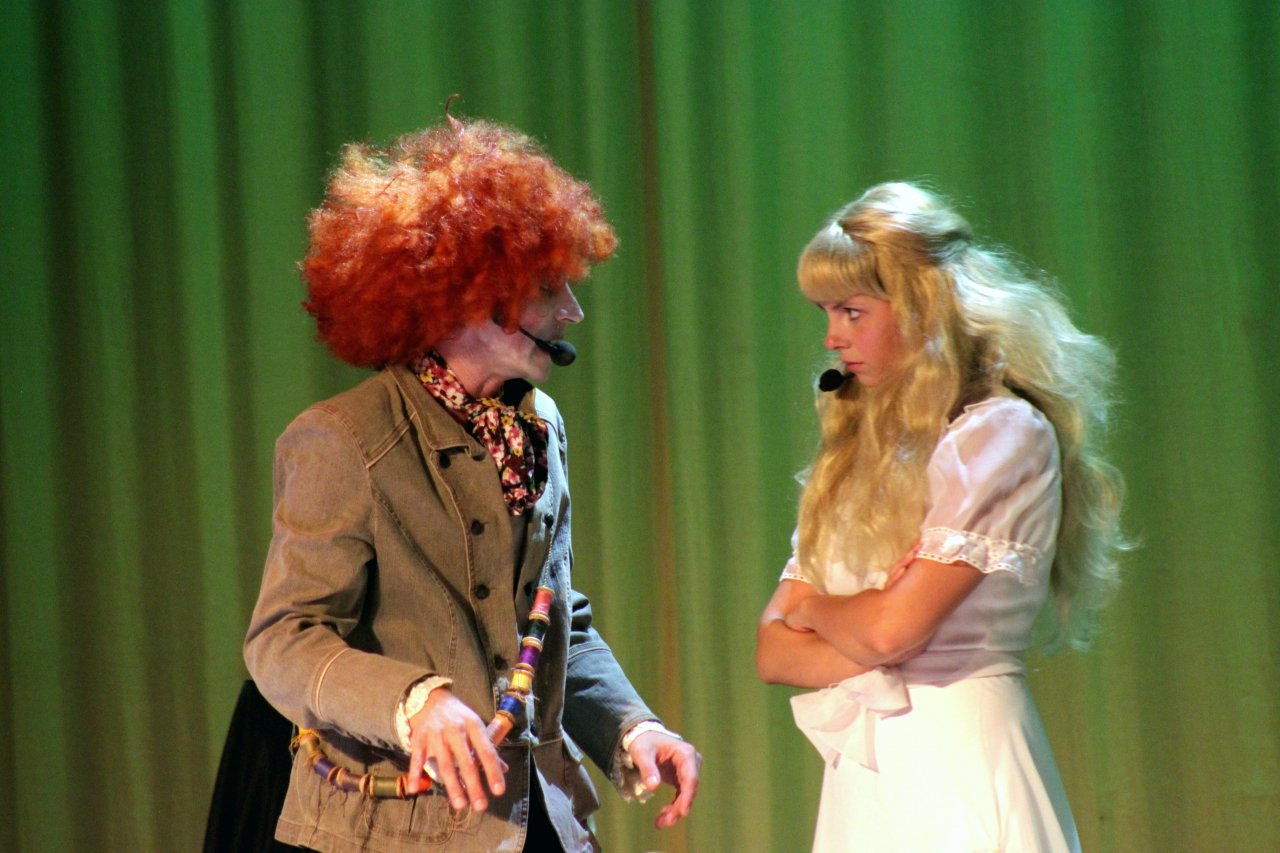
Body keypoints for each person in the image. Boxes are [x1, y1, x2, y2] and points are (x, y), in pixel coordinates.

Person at [244, 114, 700, 852]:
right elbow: (283, 641)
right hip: (399, 832)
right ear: (463, 293)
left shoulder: (539, 424)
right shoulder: (345, 439)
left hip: (540, 819)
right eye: (547, 288)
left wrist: (631, 727)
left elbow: (554, 622)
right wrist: (415, 704)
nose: (573, 311)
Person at [755, 182, 1125, 852]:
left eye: (852, 311)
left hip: (958, 764)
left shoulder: (1000, 433)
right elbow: (773, 652)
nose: (832, 337)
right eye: (827, 313)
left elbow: (889, 631)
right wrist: (860, 620)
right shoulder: (859, 456)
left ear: (922, 304)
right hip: (868, 780)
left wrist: (815, 610)